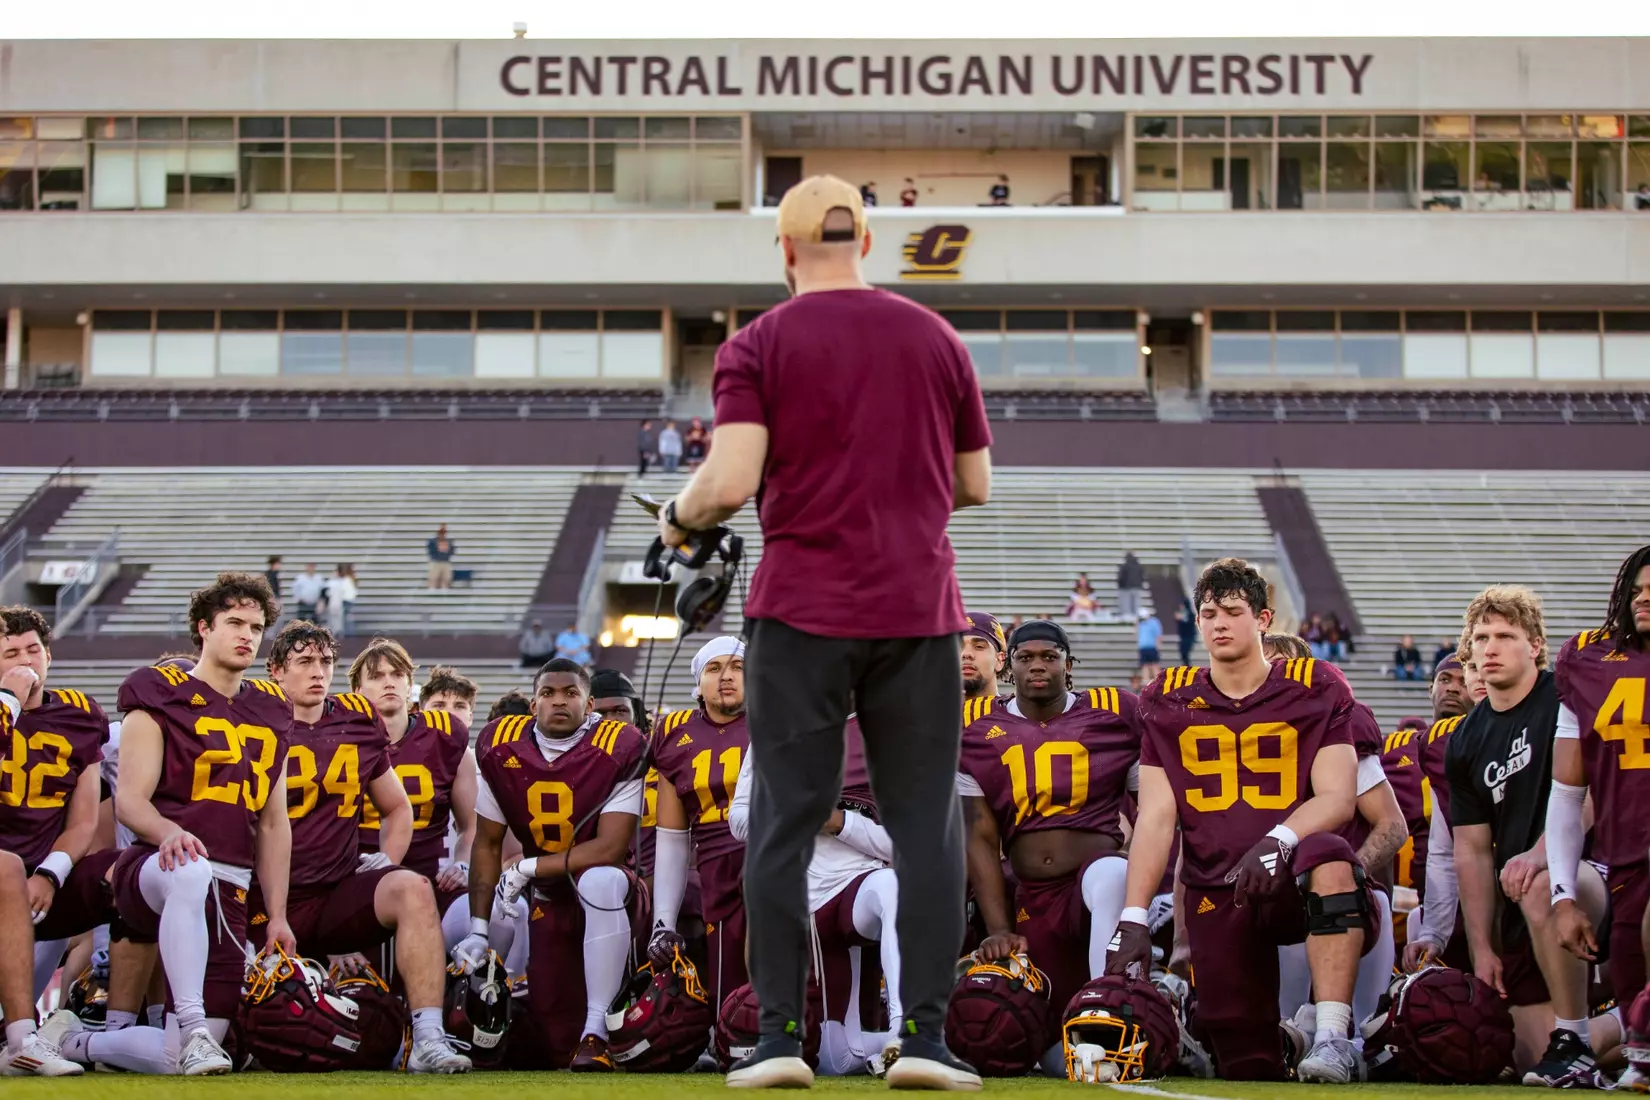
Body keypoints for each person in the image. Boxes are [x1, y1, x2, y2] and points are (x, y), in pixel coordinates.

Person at [654, 174, 991, 1091]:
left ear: (787, 249)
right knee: (925, 826)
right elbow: (975, 484)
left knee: (783, 823)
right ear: (868, 244)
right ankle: (923, 1039)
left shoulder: (758, 343)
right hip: (918, 610)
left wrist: (677, 519)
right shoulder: (936, 337)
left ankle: (777, 1045)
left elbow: (728, 481)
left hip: (801, 610)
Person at [1109, 557, 1372, 1083]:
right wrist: (1134, 915)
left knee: (1330, 854)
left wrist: (1279, 838)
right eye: (1208, 612)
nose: (1219, 623)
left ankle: (1332, 1036)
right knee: (1246, 1064)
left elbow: (1339, 798)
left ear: (1264, 619)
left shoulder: (1315, 684)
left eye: (1232, 610)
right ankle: (1281, 1038)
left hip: (1292, 877)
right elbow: (1158, 818)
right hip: (1216, 885)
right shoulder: (1168, 696)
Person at [253, 621, 469, 1072]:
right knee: (237, 1038)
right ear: (275, 670)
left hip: (333, 892)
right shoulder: (254, 720)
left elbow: (398, 809)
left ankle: (428, 1037)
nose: (318, 672)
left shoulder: (353, 719)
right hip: (261, 898)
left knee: (412, 887)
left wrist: (385, 861)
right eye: (304, 662)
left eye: (326, 662)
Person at [107, 573, 294, 1075]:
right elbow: (129, 800)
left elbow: (275, 823)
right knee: (191, 869)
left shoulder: (271, 709)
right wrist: (169, 832)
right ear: (203, 628)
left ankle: (78, 1043)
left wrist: (276, 914)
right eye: (234, 622)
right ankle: (190, 1024)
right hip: (156, 866)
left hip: (231, 885)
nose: (247, 635)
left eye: (256, 627)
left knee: (180, 1059)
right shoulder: (159, 689)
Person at [1446, 586, 1610, 1082]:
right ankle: (1622, 1028)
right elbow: (1472, 851)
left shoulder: (1568, 697)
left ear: (1535, 645)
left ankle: (1578, 1039)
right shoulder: (1467, 737)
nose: (1489, 648)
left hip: (1591, 874)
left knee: (1544, 884)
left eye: (1504, 636)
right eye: (1480, 638)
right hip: (1522, 899)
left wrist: (1543, 855)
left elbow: (1592, 798)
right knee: (1529, 1058)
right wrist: (1482, 947)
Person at [460, 659, 647, 1071]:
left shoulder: (621, 744)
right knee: (554, 1035)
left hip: (614, 889)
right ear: (532, 704)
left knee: (598, 881)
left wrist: (528, 868)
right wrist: (478, 929)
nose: (559, 701)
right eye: (548, 693)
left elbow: (610, 849)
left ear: (590, 704)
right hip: (550, 896)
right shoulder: (499, 744)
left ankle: (597, 1033)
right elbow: (487, 842)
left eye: (570, 693)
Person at [959, 621, 1138, 1033]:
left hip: (1093, 882)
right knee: (1056, 1045)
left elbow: (1154, 810)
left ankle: (1109, 1005)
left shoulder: (1113, 715)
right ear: (1010, 669)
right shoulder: (979, 733)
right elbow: (981, 838)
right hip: (1034, 896)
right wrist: (1000, 929)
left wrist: (1142, 903)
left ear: (1068, 665)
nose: (1037, 666)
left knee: (1111, 874)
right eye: (1025, 657)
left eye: (1049, 657)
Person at [731, 717, 905, 1076]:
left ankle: (907, 1029)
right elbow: (739, 820)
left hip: (859, 885)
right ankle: (929, 1037)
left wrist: (840, 822)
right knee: (836, 1061)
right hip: (802, 902)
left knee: (892, 887)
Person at [1262, 633, 1407, 1032]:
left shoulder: (1335, 719)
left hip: (1335, 901)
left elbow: (1392, 825)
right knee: (1266, 1039)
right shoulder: (1241, 726)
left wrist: (1346, 879)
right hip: (1270, 898)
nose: (1268, 672)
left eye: (1278, 662)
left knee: (1353, 1033)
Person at [1547, 546, 1650, 1081]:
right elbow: (1567, 793)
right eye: (1636, 589)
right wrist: (1563, 896)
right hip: (1626, 858)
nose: (1644, 598)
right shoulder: (1590, 661)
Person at [0, 608, 118, 1059]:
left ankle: (119, 1017)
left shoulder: (81, 714)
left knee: (129, 876)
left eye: (33, 649)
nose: (25, 661)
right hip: (4, 873)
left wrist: (50, 874)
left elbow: (84, 820)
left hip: (48, 877)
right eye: (11, 653)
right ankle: (21, 1036)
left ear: (49, 655)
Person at [647, 638, 752, 1009]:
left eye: (738, 666)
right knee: (726, 969)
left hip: (774, 852)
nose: (727, 676)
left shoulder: (778, 722)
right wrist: (663, 919)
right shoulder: (674, 732)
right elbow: (673, 836)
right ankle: (728, 1034)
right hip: (714, 860)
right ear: (698, 682)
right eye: (714, 668)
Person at [351, 639, 476, 925]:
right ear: (357, 690)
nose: (389, 683)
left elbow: (470, 826)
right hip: (357, 879)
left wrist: (462, 864)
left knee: (494, 917)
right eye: (377, 676)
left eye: (397, 675)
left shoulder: (445, 737)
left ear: (410, 686)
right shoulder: (342, 741)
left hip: (431, 878)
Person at [959, 611, 1005, 703]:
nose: (966, 654)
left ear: (999, 660)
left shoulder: (1017, 714)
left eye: (979, 647)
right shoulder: (929, 715)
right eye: (958, 647)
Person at [322, 564, 355, 637]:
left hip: (341, 604)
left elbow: (349, 594)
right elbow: (326, 593)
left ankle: (344, 637)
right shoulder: (332, 582)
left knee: (342, 623)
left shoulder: (345, 580)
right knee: (333, 622)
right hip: (334, 605)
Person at [1115, 551, 1145, 622]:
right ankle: (1136, 616)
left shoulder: (1125, 566)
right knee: (1136, 603)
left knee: (1126, 602)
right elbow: (1142, 576)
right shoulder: (1139, 566)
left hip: (1126, 587)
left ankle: (1127, 616)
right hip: (1137, 587)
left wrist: (1119, 584)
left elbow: (1121, 577)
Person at [1137, 609, 1163, 681]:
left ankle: (1157, 681)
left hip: (1152, 647)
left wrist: (1158, 645)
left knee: (1155, 665)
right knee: (1144, 666)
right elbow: (1136, 633)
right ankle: (1146, 681)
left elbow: (1158, 635)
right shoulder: (1140, 623)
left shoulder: (1154, 622)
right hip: (1143, 647)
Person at [426, 526, 456, 591]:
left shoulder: (448, 541)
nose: (442, 535)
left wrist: (447, 552)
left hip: (445, 561)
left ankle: (445, 588)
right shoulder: (433, 541)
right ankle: (432, 588)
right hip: (436, 561)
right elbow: (430, 550)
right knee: (434, 576)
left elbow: (452, 550)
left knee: (446, 577)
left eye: (444, 533)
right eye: (441, 533)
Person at [1176, 594, 1197, 665]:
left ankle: (1187, 666)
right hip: (1183, 636)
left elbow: (1190, 623)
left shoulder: (1190, 614)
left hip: (1189, 636)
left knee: (1186, 652)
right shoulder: (1181, 613)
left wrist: (1182, 619)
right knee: (1182, 652)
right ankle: (1185, 665)